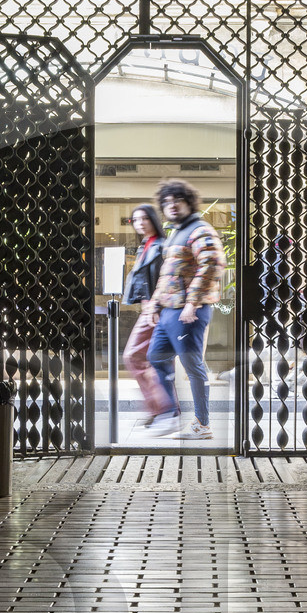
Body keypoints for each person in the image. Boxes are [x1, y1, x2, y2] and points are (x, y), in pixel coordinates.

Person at [147, 179, 225, 440]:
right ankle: (170, 414)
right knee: (156, 356)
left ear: (189, 203)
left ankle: (202, 424)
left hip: (189, 311)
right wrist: (155, 304)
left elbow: (212, 264)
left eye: (177, 200)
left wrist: (192, 302)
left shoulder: (200, 229)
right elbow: (168, 275)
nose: (172, 205)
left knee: (192, 366)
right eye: (167, 202)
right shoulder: (175, 233)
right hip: (170, 311)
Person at [119, 203, 174, 425]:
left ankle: (163, 409)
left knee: (134, 356)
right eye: (135, 220)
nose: (140, 223)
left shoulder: (160, 246)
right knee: (152, 360)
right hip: (149, 310)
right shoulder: (146, 245)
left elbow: (166, 280)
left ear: (153, 220)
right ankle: (164, 409)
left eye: (144, 218)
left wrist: (156, 307)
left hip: (156, 311)